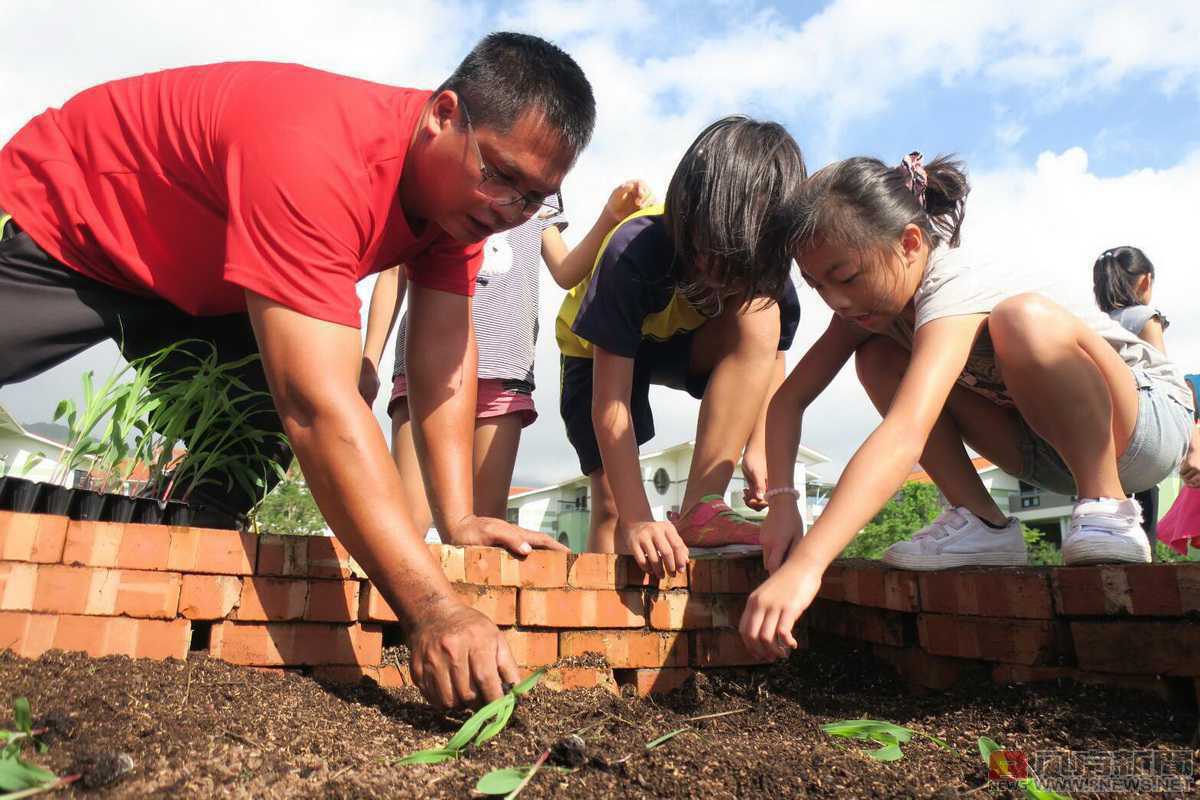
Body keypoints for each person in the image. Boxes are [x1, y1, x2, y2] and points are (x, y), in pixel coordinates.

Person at [0, 32, 596, 709]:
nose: (506, 209)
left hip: (204, 284)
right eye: (499, 174)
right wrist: (433, 608)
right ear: (443, 115)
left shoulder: (454, 214)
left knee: (244, 435)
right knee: (313, 382)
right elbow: (317, 407)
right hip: (68, 218)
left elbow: (442, 359)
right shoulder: (317, 150)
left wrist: (457, 516)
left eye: (532, 199)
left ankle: (188, 595)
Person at [739, 152, 1195, 661]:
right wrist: (782, 503)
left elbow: (906, 430)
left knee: (1022, 320)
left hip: (1142, 427)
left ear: (910, 244)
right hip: (1045, 450)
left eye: (845, 276)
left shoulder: (953, 281)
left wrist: (808, 564)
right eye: (819, 286)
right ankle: (984, 524)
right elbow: (788, 401)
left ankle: (1107, 506)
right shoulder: (869, 312)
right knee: (878, 358)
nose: (837, 301)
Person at [555, 116, 805, 578]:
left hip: (679, 342)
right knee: (612, 503)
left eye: (738, 267)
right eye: (711, 255)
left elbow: (772, 358)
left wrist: (759, 447)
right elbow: (610, 404)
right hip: (597, 351)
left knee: (761, 314)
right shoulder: (633, 250)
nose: (718, 277)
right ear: (686, 214)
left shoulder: (766, 274)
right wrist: (638, 519)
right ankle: (594, 601)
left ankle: (702, 508)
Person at [360, 180, 654, 539]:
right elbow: (395, 273)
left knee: (487, 528)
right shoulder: (448, 172)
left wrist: (610, 217)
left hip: (505, 369)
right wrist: (369, 360)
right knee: (409, 521)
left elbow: (565, 271)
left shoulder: (540, 185)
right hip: (428, 365)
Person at [1091, 246, 1171, 549]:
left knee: (1107, 516)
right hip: (1140, 428)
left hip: (1100, 438)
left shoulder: (1095, 325)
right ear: (1145, 282)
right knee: (1143, 523)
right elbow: (1164, 376)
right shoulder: (1144, 317)